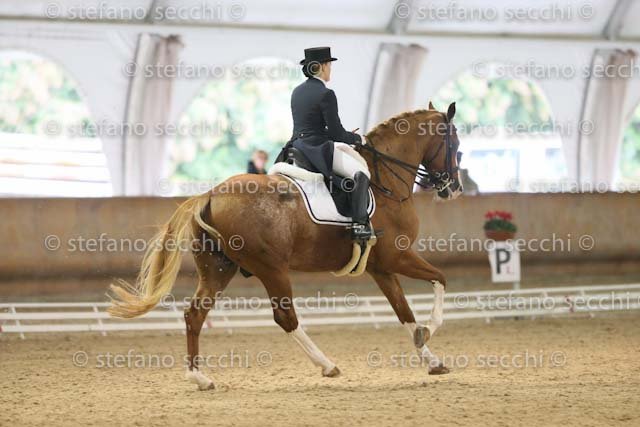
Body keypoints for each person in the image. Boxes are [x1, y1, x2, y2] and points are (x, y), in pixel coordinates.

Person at [288, 46, 372, 244]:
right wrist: (358, 139)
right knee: (362, 173)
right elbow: (336, 134)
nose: (330, 70)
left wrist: (343, 135)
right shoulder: (326, 94)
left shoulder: (297, 92)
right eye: (329, 65)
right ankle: (360, 225)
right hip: (316, 149)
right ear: (322, 66)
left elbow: (309, 127)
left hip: (296, 147)